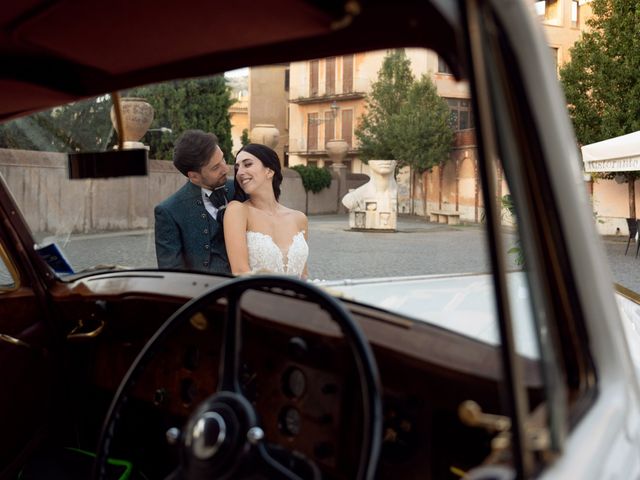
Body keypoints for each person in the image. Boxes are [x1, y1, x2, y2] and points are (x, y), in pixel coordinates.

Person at [223, 143, 309, 279]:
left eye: (247, 164)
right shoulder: (237, 211)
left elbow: (303, 275)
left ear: (269, 171)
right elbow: (239, 271)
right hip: (257, 297)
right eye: (237, 168)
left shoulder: (299, 218)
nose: (239, 172)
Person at [154, 130, 234, 273]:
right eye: (216, 167)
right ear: (194, 176)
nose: (226, 168)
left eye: (222, 159)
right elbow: (172, 275)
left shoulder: (239, 189)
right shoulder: (169, 211)